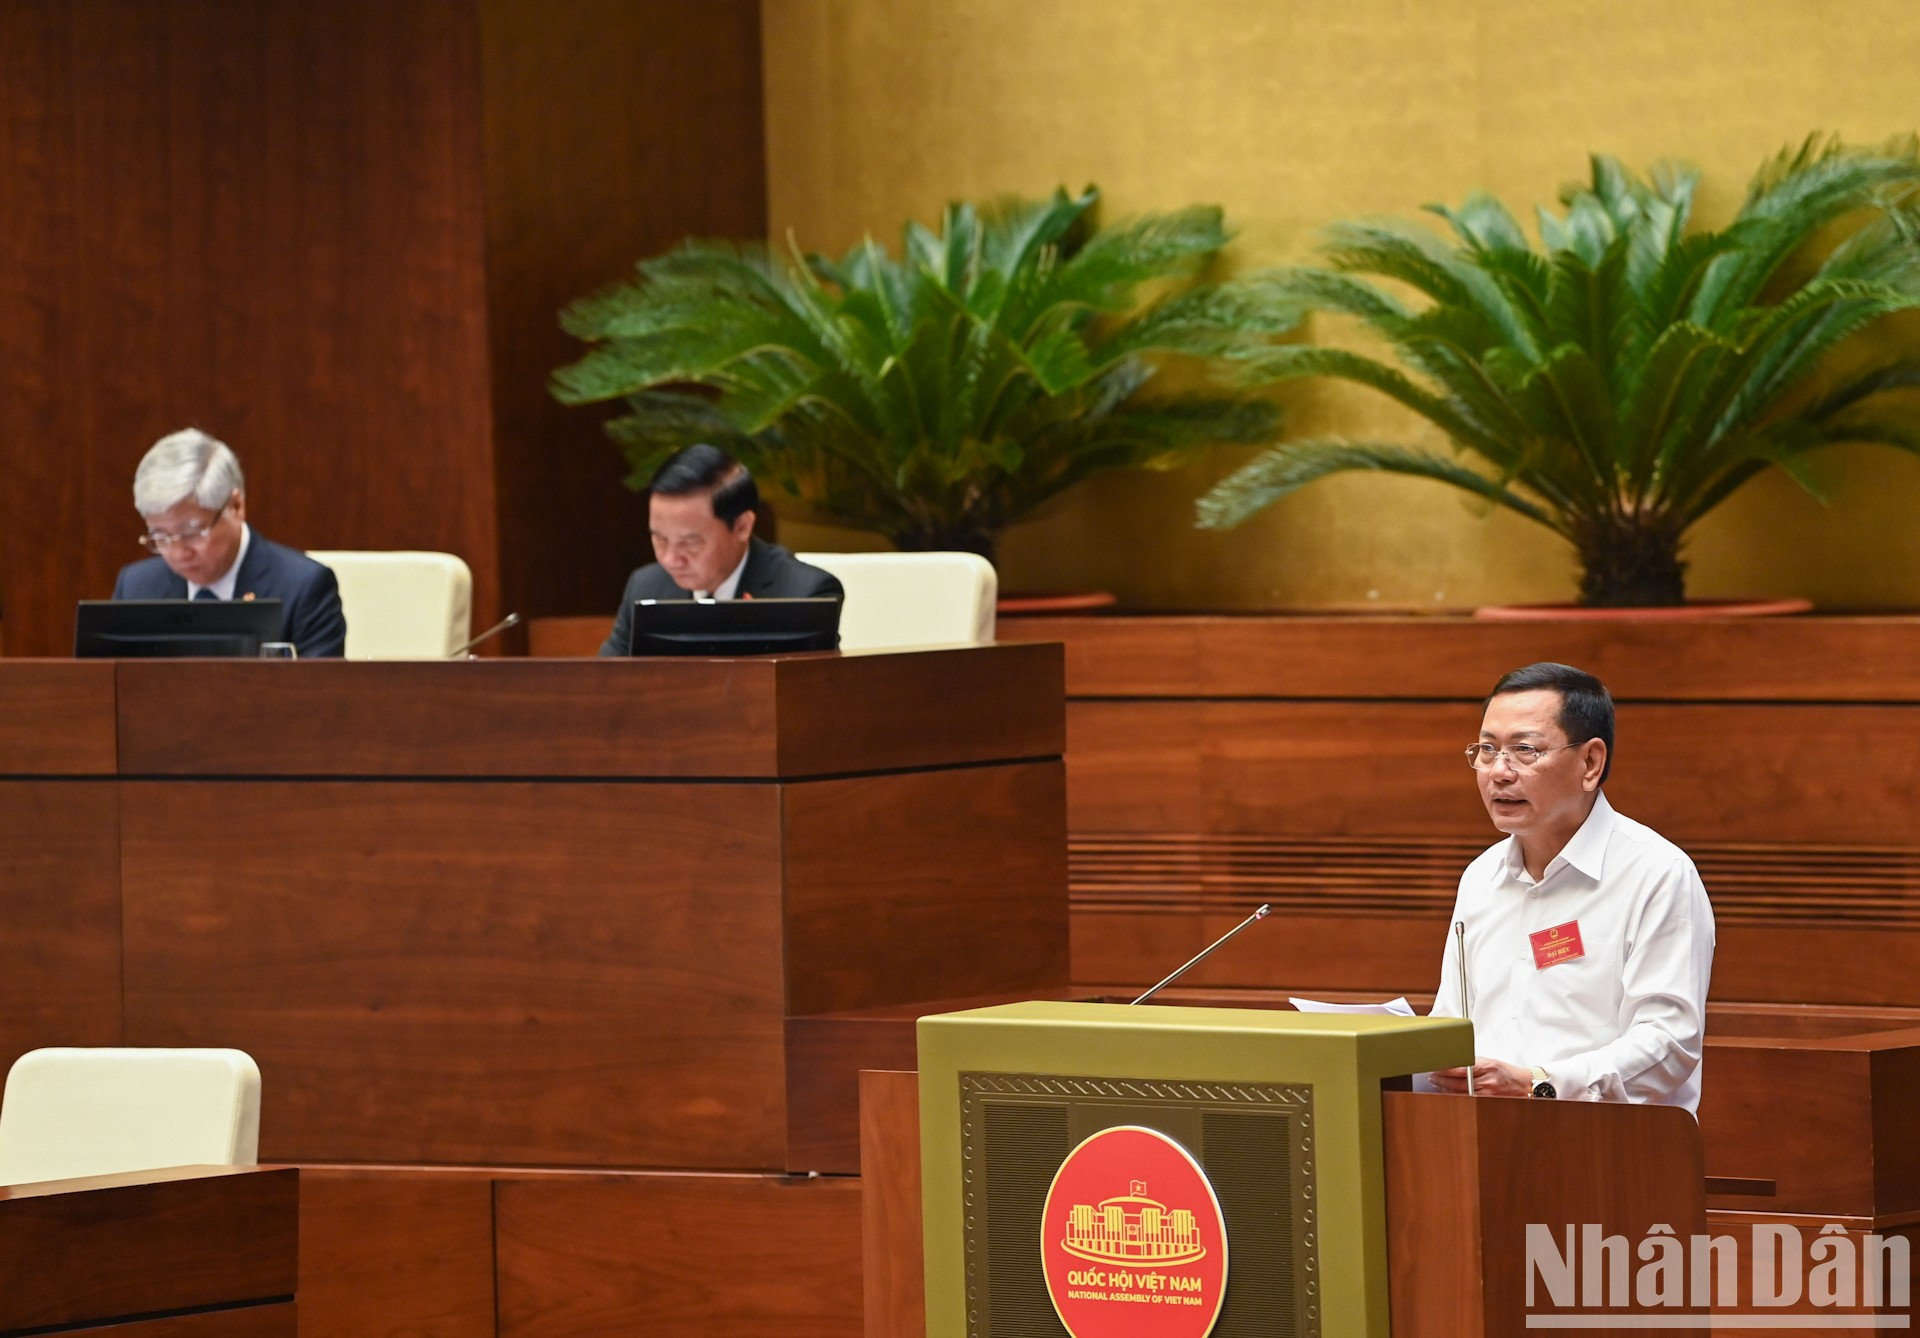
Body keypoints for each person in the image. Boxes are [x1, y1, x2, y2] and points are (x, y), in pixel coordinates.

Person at [1428, 662, 1714, 1111]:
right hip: (1482, 1142)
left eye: (1524, 749)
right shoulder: (1480, 877)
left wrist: (1538, 1083)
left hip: (1607, 1149)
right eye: (1487, 749)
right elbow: (1452, 1020)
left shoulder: (1655, 872)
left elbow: (1668, 1043)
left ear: (1590, 762)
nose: (1499, 773)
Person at [112, 428, 348, 658]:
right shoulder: (136, 588)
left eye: (192, 533)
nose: (178, 553)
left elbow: (320, 695)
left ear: (236, 506)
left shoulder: (304, 588)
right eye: (160, 536)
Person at [598, 444, 844, 657]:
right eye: (659, 539)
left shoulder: (805, 594)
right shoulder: (645, 586)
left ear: (742, 526)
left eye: (690, 542)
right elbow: (607, 684)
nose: (670, 559)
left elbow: (810, 696)